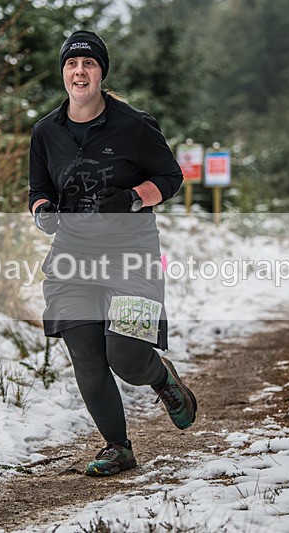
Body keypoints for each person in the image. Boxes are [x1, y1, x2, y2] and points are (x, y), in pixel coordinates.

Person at [27, 30, 197, 477]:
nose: (79, 71)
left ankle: (162, 378)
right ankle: (117, 446)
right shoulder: (46, 131)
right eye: (71, 64)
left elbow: (170, 178)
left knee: (124, 355)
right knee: (85, 351)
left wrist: (135, 198)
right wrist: (43, 211)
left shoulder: (135, 125)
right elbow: (39, 190)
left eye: (88, 64)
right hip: (72, 256)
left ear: (101, 73)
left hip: (132, 253)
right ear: (63, 72)